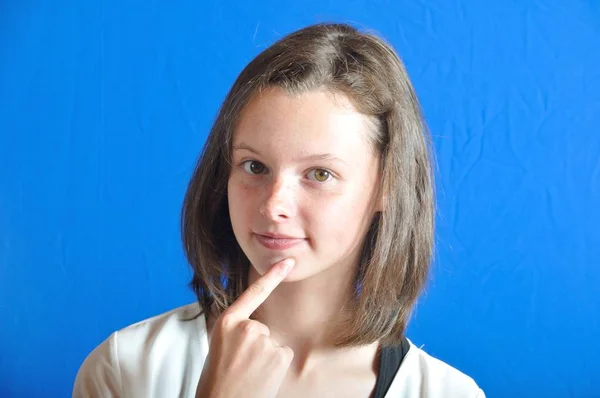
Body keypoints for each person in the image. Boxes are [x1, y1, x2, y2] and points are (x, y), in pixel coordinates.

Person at [73, 23, 485, 397]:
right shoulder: (125, 370)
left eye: (319, 174)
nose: (273, 205)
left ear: (387, 187)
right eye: (255, 166)